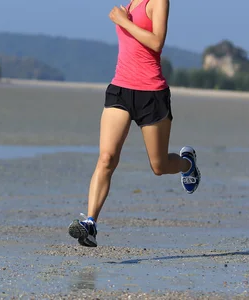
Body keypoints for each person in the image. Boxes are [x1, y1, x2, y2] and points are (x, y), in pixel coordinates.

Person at [68, 0, 201, 248]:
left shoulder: (158, 1)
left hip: (151, 93)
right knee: (107, 158)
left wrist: (123, 22)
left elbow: (157, 42)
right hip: (120, 89)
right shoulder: (130, 2)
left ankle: (187, 163)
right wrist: (124, 19)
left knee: (159, 165)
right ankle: (90, 224)